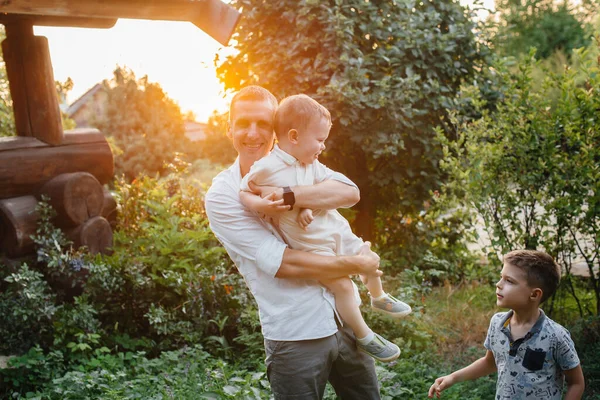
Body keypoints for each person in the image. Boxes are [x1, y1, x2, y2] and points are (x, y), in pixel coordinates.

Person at [204, 86, 384, 399]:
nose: (253, 133)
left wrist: (293, 196)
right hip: (296, 333)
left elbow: (348, 192)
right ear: (229, 127)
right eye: (243, 123)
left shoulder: (304, 168)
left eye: (263, 123)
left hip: (344, 317)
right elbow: (284, 263)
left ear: (277, 131)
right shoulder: (223, 195)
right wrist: (355, 264)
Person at [238, 94, 411, 363]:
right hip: (311, 246)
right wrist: (262, 204)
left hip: (333, 230)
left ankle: (378, 296)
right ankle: (365, 335)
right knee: (342, 285)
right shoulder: (267, 167)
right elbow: (244, 192)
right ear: (294, 136)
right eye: (319, 140)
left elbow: (325, 192)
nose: (323, 146)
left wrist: (304, 206)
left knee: (364, 252)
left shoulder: (312, 165)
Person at [428, 250, 585, 400]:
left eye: (509, 281)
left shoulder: (556, 336)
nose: (498, 284)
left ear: (535, 294)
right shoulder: (497, 323)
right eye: (501, 277)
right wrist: (452, 377)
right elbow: (490, 362)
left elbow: (577, 383)